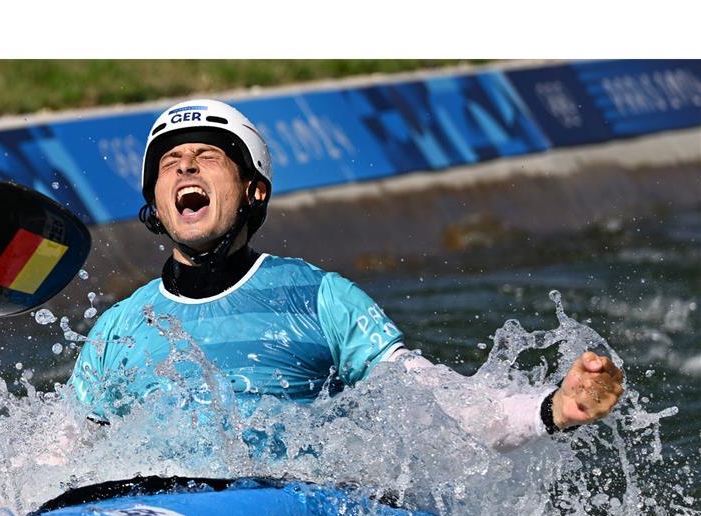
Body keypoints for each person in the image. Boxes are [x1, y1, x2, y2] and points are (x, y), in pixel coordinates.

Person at [67, 98, 625, 450]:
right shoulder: (118, 329)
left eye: (207, 156)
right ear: (157, 205)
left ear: (254, 190)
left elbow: (434, 409)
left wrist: (550, 409)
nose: (185, 165)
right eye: (170, 162)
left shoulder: (321, 299)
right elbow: (52, 455)